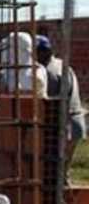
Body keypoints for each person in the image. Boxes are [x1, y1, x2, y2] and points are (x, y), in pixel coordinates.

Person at [36, 35, 86, 183]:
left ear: (44, 52)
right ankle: (65, 201)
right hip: (74, 123)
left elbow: (50, 102)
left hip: (67, 125)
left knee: (57, 171)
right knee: (62, 171)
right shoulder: (61, 65)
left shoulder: (51, 72)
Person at [0, 31, 48, 98]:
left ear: (20, 51)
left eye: (8, 48)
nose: (4, 52)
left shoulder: (37, 70)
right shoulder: (8, 70)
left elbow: (33, 96)